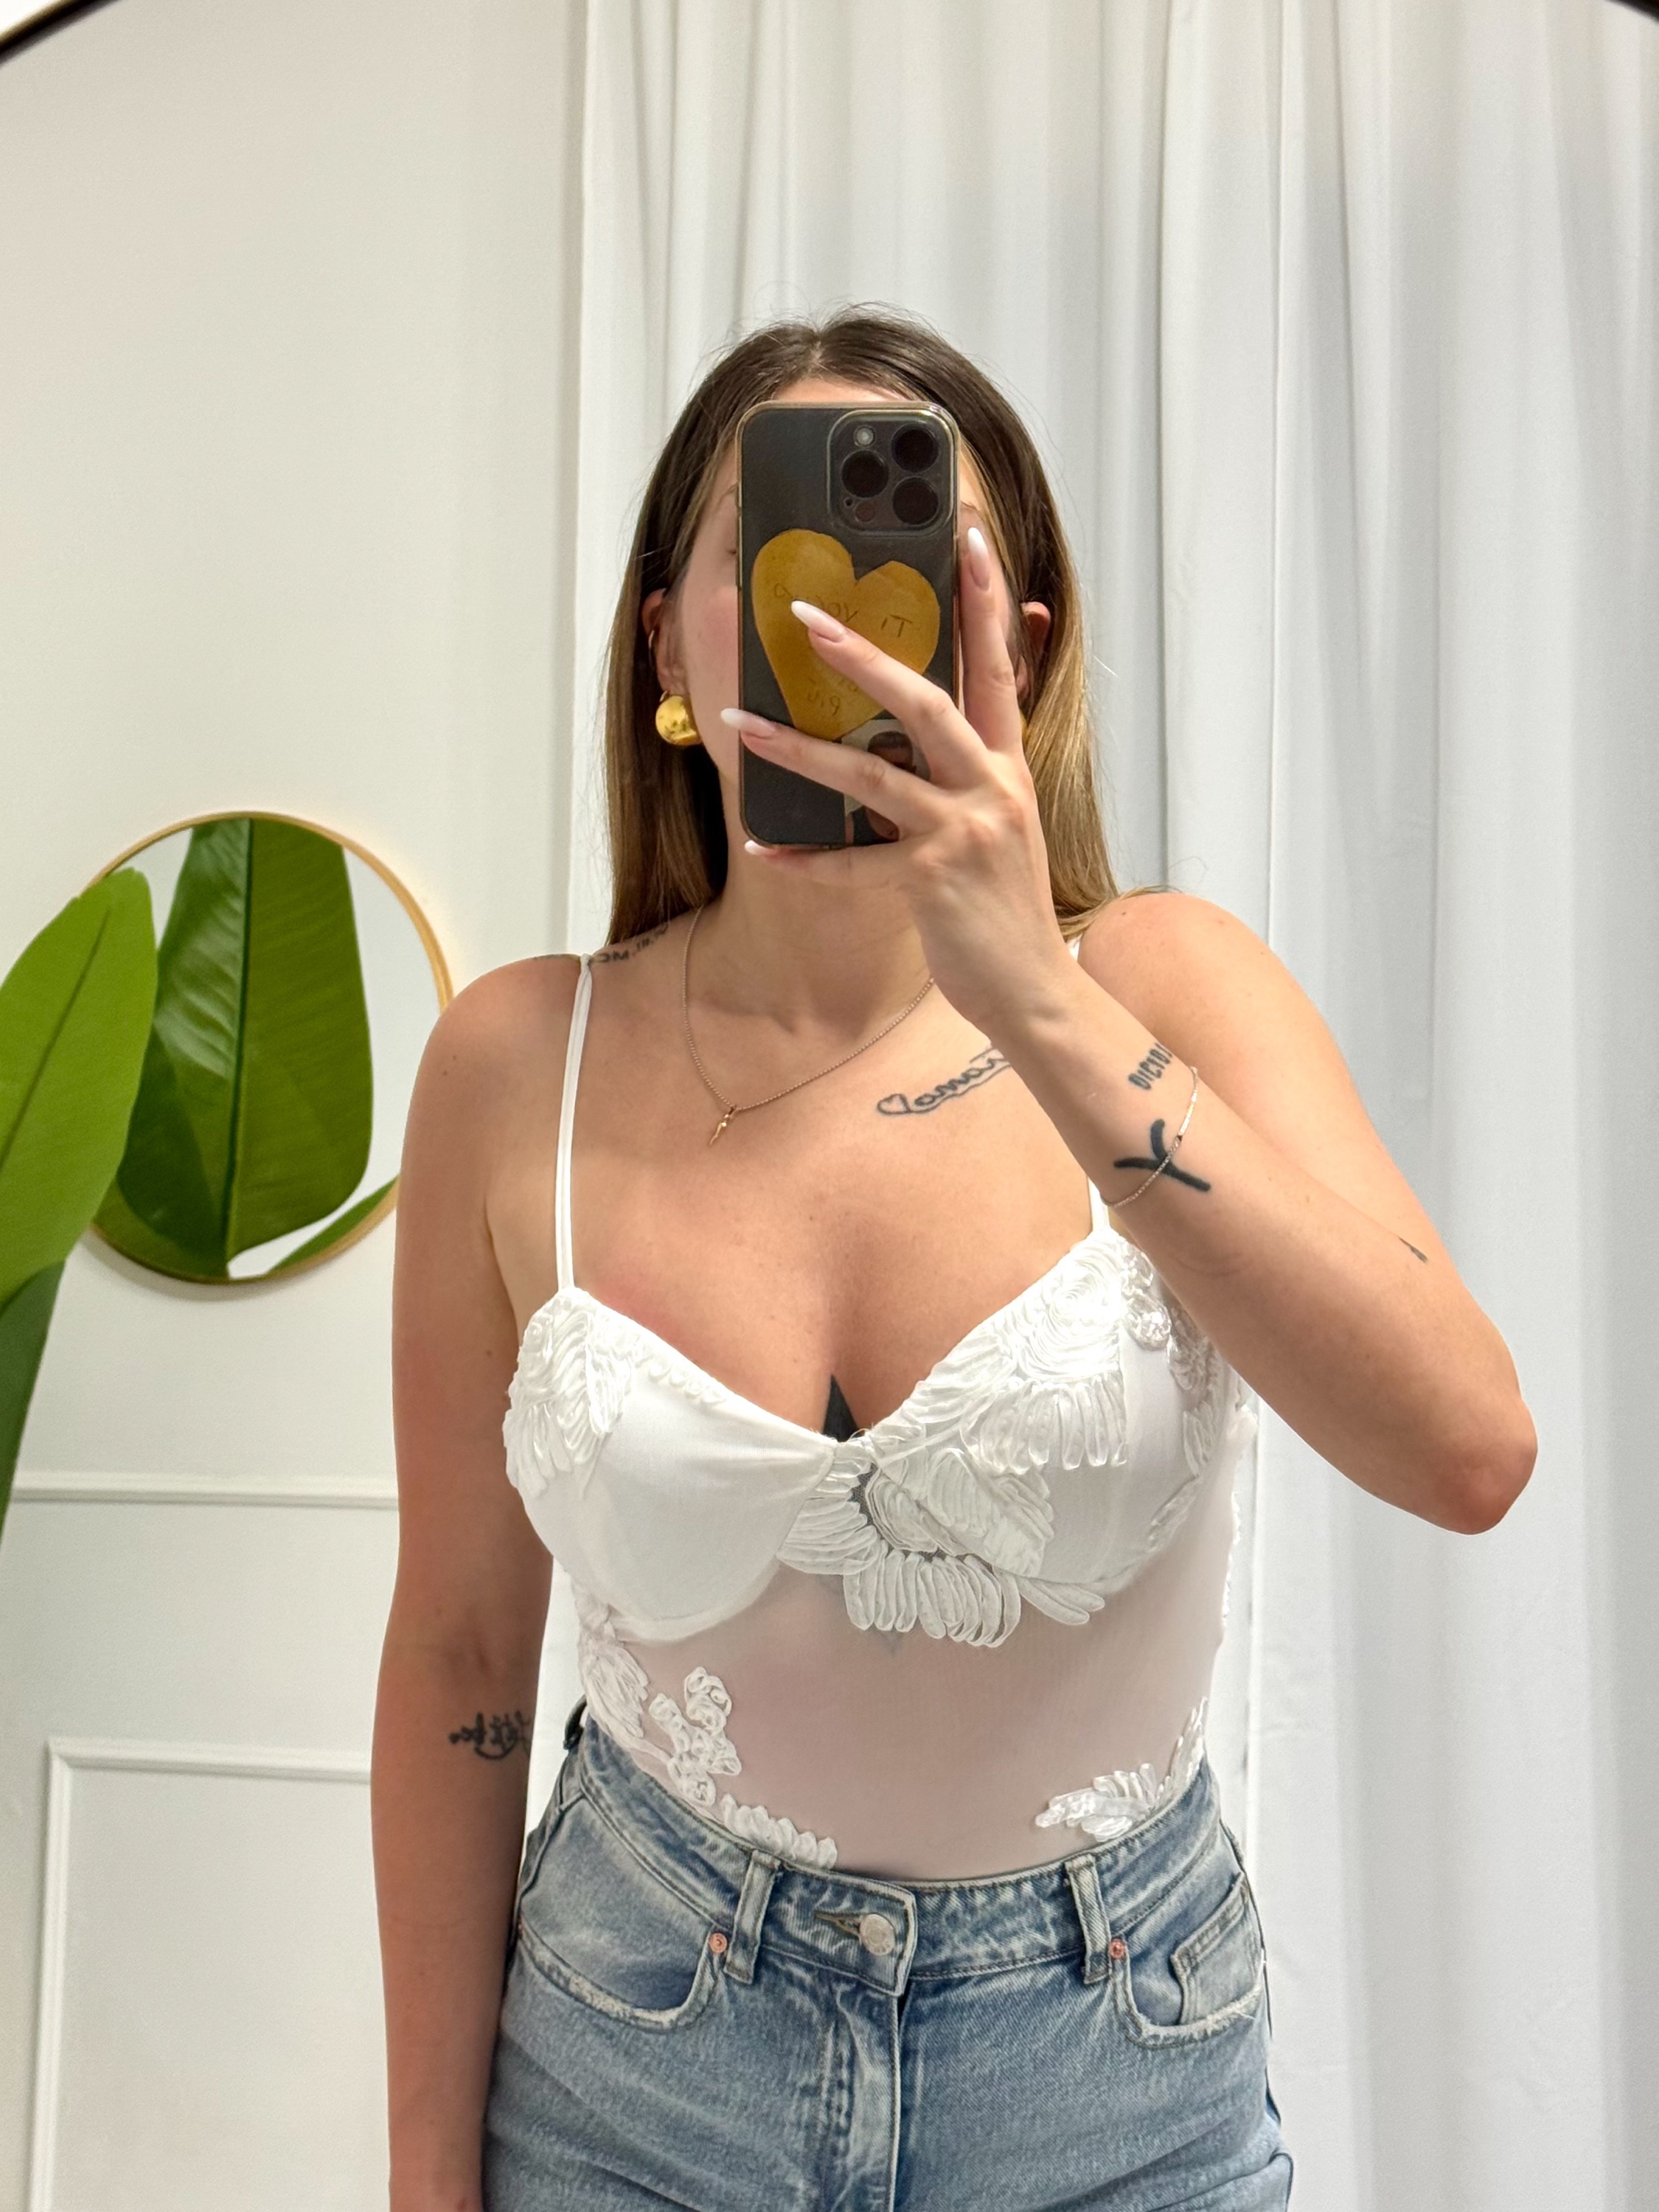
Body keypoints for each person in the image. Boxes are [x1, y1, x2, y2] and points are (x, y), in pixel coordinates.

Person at [371, 306, 1534, 2211]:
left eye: (910, 551)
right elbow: (460, 1649)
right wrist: (425, 2171)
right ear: (665, 644)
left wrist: (1038, 1004)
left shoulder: (1165, 988)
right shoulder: (516, 1064)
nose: (839, 618)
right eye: (776, 552)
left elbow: (1465, 1448)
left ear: (1020, 644)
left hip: (1115, 2085)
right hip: (630, 2062)